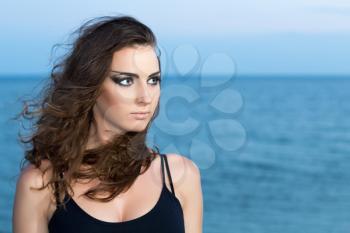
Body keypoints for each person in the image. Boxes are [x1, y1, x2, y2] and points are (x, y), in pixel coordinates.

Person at [12, 15, 203, 233]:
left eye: (153, 80)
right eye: (126, 80)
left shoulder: (181, 176)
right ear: (90, 85)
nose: (145, 97)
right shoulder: (42, 184)